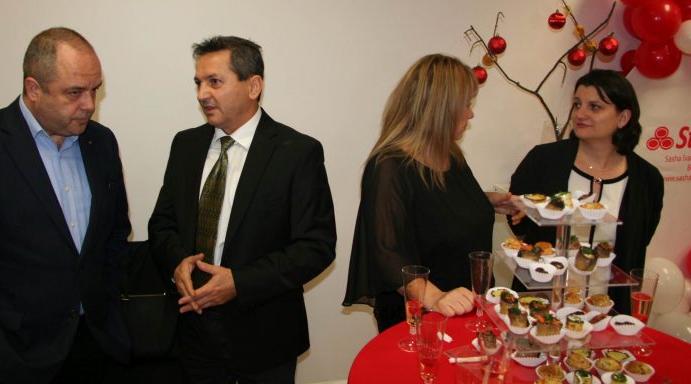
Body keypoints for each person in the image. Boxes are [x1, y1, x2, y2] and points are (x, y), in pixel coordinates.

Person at [0, 28, 132, 383]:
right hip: (11, 357)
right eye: (75, 92)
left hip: (95, 346)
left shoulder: (101, 142)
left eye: (94, 90)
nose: (89, 105)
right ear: (33, 89)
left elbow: (114, 234)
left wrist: (107, 304)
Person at [148, 36, 336, 383]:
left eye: (214, 82)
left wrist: (240, 282)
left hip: (265, 335)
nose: (202, 94)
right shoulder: (185, 145)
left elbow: (316, 246)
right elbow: (162, 223)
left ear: (253, 86)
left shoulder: (297, 152)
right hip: (192, 332)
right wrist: (177, 263)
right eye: (199, 82)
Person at [343, 54, 516, 332]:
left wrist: (484, 201)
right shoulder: (389, 166)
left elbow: (434, 209)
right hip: (419, 315)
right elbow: (386, 252)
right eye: (467, 104)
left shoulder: (451, 155)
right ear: (442, 109)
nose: (470, 114)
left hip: (468, 306)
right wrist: (435, 297)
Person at [509, 69, 663, 313]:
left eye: (595, 107)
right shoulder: (543, 160)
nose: (580, 114)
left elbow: (638, 241)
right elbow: (518, 224)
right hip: (541, 309)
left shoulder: (647, 179)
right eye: (577, 104)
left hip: (608, 312)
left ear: (623, 118)